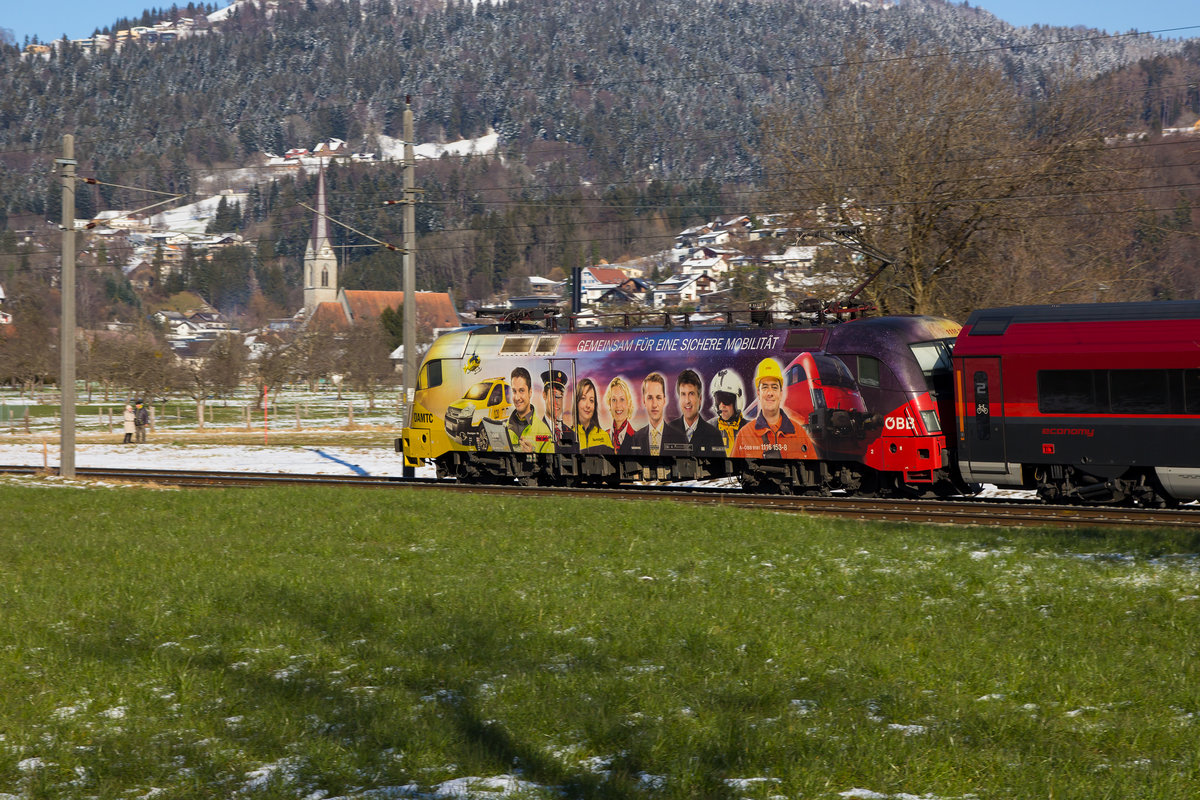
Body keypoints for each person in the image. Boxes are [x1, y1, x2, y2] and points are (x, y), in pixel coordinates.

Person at [732, 358, 816, 459]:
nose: (770, 393)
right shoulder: (744, 435)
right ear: (758, 394)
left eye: (774, 387)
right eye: (765, 387)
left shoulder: (799, 434)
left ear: (781, 394)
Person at [662, 369, 725, 457]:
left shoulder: (714, 435)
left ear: (700, 399)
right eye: (683, 394)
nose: (687, 401)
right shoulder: (668, 431)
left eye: (691, 394)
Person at [620, 372, 668, 456]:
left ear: (664, 400)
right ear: (644, 401)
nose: (654, 404)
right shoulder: (636, 438)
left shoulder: (679, 436)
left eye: (658, 397)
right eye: (650, 398)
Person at [506, 367, 552, 453]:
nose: (517, 397)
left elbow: (549, 464)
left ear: (530, 392)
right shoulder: (505, 427)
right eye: (514, 391)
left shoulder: (544, 432)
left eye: (521, 391)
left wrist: (533, 455)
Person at [710, 368, 747, 456]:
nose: (722, 405)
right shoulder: (708, 428)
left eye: (726, 399)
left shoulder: (749, 429)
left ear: (737, 401)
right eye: (718, 399)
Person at [573, 378, 614, 454]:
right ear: (576, 402)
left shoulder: (604, 436)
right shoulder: (569, 435)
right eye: (583, 398)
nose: (588, 405)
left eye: (591, 400)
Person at [540, 369, 576, 453]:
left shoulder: (572, 434)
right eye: (553, 395)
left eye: (560, 396)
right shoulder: (536, 429)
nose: (557, 401)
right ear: (544, 395)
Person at [605, 376, 636, 451]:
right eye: (614, 400)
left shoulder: (637, 438)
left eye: (622, 399)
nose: (618, 405)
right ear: (610, 404)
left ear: (629, 404)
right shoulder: (604, 436)